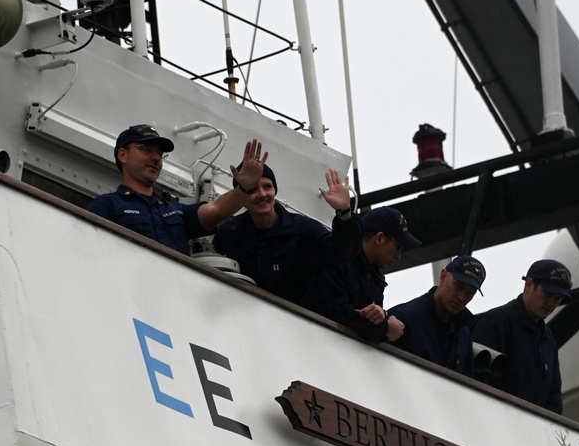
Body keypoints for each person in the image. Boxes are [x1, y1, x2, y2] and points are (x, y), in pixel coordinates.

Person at [87, 124, 267, 256]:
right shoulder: (106, 206)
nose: (156, 158)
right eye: (146, 149)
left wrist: (246, 188)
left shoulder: (175, 211)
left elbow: (217, 209)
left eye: (160, 154)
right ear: (122, 155)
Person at [211, 166, 361, 304]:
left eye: (267, 187)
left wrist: (345, 215)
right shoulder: (229, 233)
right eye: (252, 189)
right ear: (241, 196)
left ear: (275, 190)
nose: (262, 194)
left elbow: (341, 252)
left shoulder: (303, 230)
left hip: (293, 324)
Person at [301, 206, 420, 342]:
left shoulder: (375, 276)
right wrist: (385, 328)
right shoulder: (339, 258)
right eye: (398, 247)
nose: (399, 256)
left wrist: (381, 316)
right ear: (379, 238)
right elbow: (336, 313)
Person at [471, 259, 572, 414]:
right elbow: (476, 384)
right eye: (548, 294)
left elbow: (553, 397)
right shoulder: (496, 322)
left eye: (558, 298)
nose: (552, 303)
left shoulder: (548, 339)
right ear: (529, 285)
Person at [388, 255, 485, 375]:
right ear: (443, 276)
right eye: (458, 286)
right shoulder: (404, 318)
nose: (461, 297)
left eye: (470, 293)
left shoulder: (463, 334)